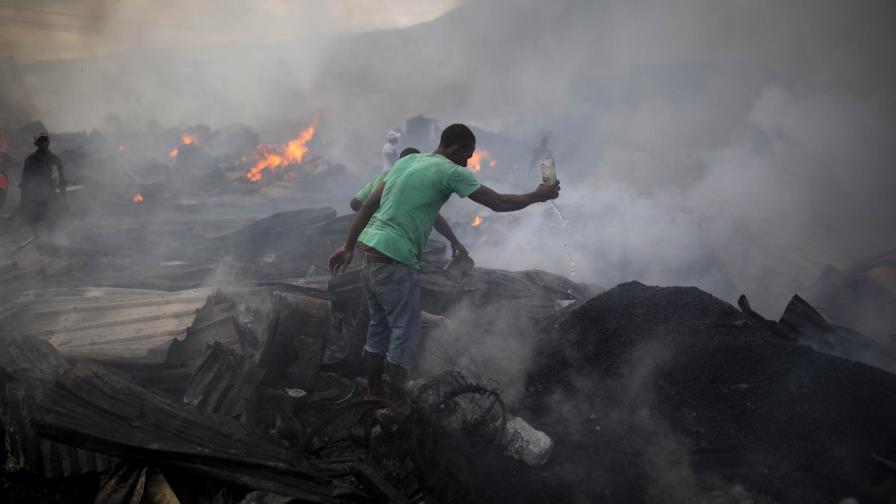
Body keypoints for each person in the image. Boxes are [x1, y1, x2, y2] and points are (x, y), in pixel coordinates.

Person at [329, 124, 560, 400]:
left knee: (378, 326)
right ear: (455, 149)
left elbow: (367, 205)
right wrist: (538, 196)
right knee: (405, 330)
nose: (469, 161)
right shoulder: (451, 171)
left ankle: (374, 391)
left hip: (370, 255)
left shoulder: (408, 162)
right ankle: (394, 402)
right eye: (468, 154)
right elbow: (497, 202)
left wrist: (348, 246)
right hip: (395, 259)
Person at [351, 146, 467, 258]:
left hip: (367, 239)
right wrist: (454, 241)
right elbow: (436, 218)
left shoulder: (381, 177)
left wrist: (374, 214)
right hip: (393, 246)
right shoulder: (416, 183)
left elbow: (355, 204)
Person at [20, 131, 66, 230]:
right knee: (36, 224)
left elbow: (61, 179)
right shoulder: (30, 160)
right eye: (41, 141)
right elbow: (25, 181)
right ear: (36, 143)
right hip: (35, 198)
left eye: (45, 141)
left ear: (48, 143)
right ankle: (37, 243)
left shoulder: (55, 159)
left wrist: (63, 197)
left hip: (51, 197)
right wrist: (23, 201)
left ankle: (49, 242)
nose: (44, 143)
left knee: (51, 224)